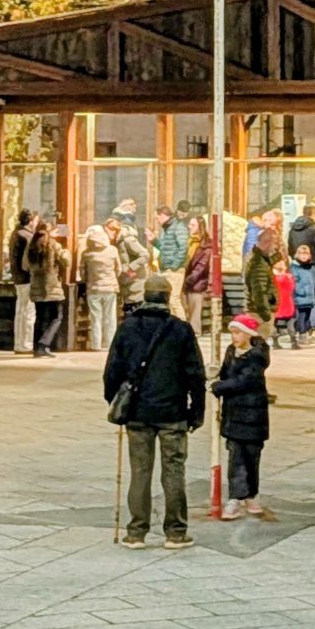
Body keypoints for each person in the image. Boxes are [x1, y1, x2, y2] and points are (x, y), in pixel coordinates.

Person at [102, 280, 205, 549]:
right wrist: (197, 411)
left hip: (137, 412)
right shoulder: (181, 330)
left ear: (145, 297)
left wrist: (117, 402)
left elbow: (112, 372)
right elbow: (196, 373)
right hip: (173, 412)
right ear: (167, 298)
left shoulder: (128, 328)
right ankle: (176, 531)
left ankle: (136, 532)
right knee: (173, 471)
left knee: (140, 472)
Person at [213, 313, 271, 519]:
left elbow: (243, 381)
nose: (234, 336)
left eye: (238, 332)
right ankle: (238, 496)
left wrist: (218, 387)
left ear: (248, 334)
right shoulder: (231, 352)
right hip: (234, 414)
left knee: (251, 457)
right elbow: (225, 374)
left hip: (253, 415)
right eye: (232, 332)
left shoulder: (256, 356)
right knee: (236, 456)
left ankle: (249, 495)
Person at [26, 217, 68, 358]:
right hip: (52, 288)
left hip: (37, 288)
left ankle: (37, 347)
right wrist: (65, 249)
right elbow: (66, 261)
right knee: (56, 317)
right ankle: (44, 344)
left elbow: (25, 265)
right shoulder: (53, 245)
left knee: (40, 318)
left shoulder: (31, 246)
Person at [81, 224, 122, 352]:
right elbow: (119, 269)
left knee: (95, 318)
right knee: (110, 317)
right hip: (110, 288)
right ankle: (110, 343)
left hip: (93, 289)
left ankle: (96, 344)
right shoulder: (113, 250)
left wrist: (87, 280)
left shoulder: (86, 253)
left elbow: (82, 273)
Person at [244, 226, 281, 331]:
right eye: (275, 243)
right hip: (258, 314)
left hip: (258, 311)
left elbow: (267, 263)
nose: (275, 247)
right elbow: (259, 290)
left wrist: (278, 256)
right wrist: (266, 315)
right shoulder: (257, 262)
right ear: (267, 242)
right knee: (258, 344)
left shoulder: (259, 257)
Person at [9, 208, 36, 353]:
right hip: (26, 278)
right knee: (28, 312)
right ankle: (26, 344)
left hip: (17, 277)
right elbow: (28, 260)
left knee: (20, 312)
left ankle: (19, 343)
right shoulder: (27, 237)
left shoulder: (15, 234)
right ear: (31, 221)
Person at [290, 241, 315, 346]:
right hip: (300, 297)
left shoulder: (311, 267)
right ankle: (301, 334)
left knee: (308, 316)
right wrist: (302, 291)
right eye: (301, 253)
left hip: (310, 297)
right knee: (301, 317)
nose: (303, 256)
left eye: (306, 254)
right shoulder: (294, 267)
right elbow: (294, 282)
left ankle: (306, 333)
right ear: (297, 254)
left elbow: (314, 280)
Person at [151, 205, 190, 274]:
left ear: (162, 215)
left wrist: (173, 267)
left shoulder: (179, 226)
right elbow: (164, 248)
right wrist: (153, 240)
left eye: (157, 218)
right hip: (166, 269)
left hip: (174, 271)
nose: (157, 221)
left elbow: (184, 248)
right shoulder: (166, 228)